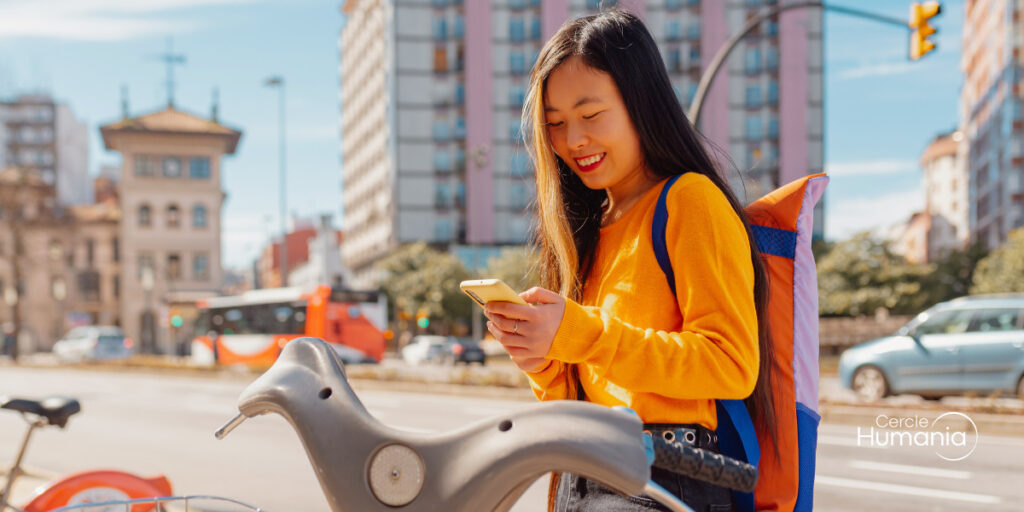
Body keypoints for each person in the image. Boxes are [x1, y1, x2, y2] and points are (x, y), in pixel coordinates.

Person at [482, 10, 776, 512]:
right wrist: (543, 359)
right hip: (584, 471)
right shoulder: (588, 228)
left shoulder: (690, 200)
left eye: (590, 115)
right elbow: (584, 390)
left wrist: (581, 333)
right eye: (554, 124)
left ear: (641, 102)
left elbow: (731, 364)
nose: (572, 140)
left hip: (665, 475)